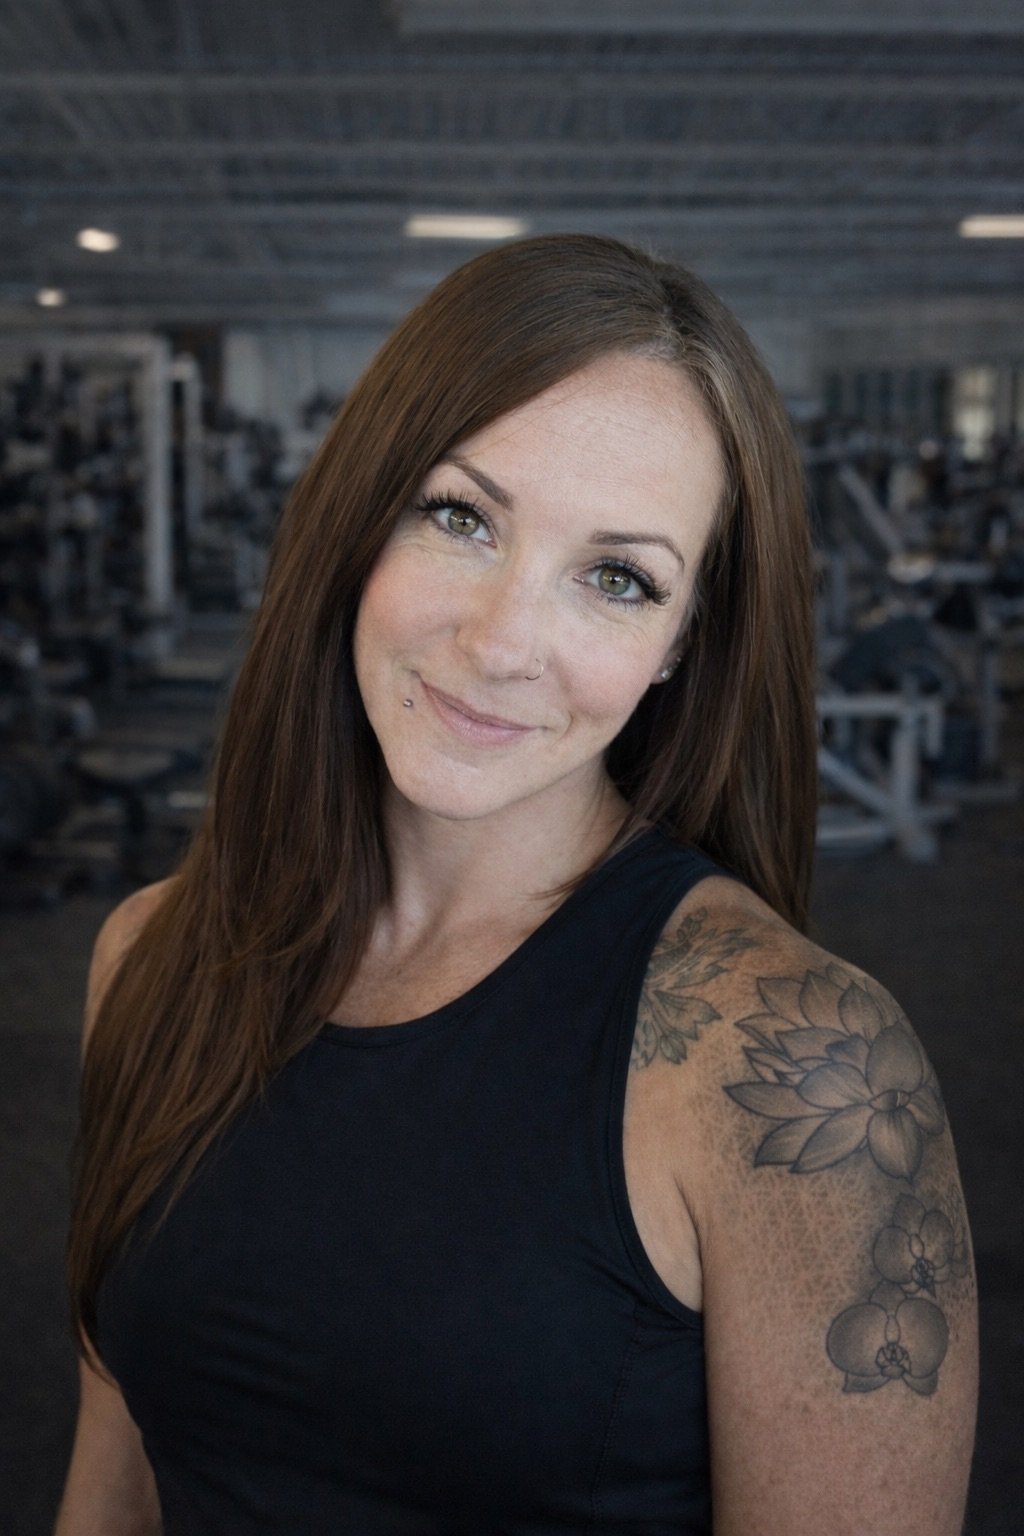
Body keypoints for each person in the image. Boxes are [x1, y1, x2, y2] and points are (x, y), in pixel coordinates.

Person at [57, 234, 978, 1535]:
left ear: (680, 644)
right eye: (460, 517)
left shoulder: (792, 1072)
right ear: (358, 517)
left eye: (617, 579)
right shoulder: (147, 961)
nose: (501, 645)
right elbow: (117, 1478)